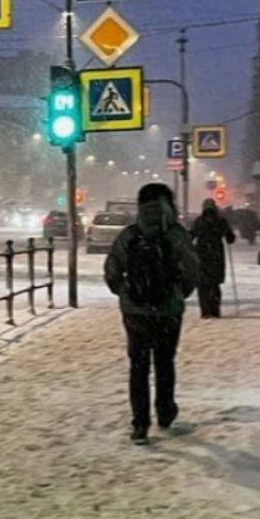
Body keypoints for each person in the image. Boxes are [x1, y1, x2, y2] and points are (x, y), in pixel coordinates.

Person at [104, 183, 200, 445]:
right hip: (168, 311)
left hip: (135, 312)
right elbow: (192, 270)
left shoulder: (130, 234)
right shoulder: (177, 235)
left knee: (138, 367)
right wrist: (178, 293)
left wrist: (125, 291)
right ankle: (166, 412)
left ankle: (140, 425)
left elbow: (112, 268)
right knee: (165, 363)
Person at [191, 199, 236, 318]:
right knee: (215, 285)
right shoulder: (221, 221)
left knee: (203, 286)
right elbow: (230, 239)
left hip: (202, 255)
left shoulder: (199, 221)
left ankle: (205, 311)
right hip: (216, 255)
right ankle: (215, 310)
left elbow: (191, 235)